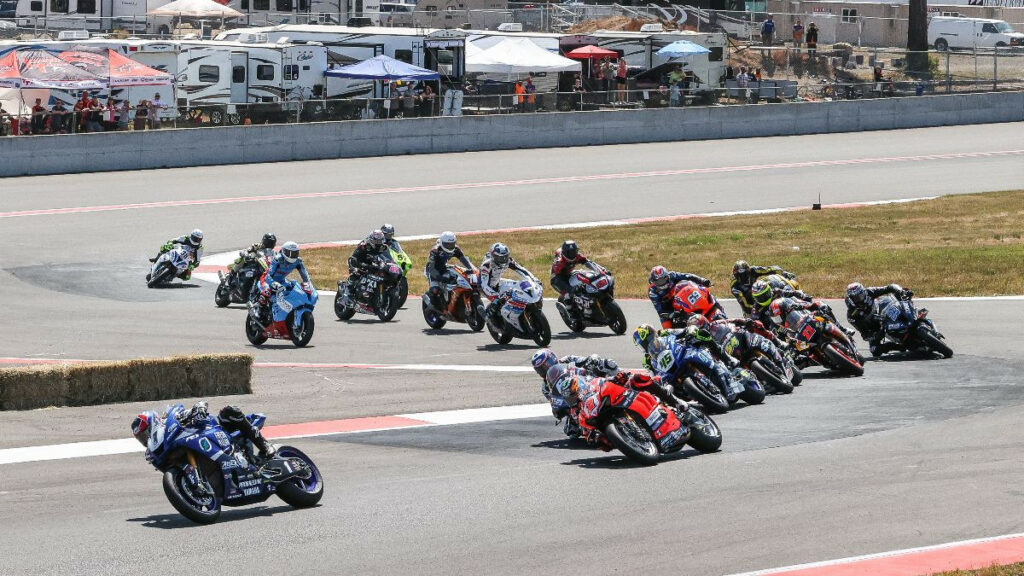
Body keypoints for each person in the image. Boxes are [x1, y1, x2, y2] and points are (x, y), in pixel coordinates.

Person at [131, 401, 275, 460]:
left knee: (228, 412)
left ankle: (264, 446)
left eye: (145, 434)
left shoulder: (171, 421)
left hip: (219, 432)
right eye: (141, 438)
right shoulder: (153, 453)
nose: (146, 439)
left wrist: (198, 409)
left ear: (154, 424)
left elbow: (199, 404)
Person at [845, 282, 912, 357]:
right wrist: (875, 335)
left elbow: (889, 287)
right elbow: (864, 334)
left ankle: (913, 315)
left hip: (884, 311)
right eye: (855, 298)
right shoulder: (852, 316)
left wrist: (900, 291)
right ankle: (899, 346)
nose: (859, 299)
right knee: (875, 350)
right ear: (850, 299)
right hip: (876, 329)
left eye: (860, 296)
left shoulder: (869, 292)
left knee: (901, 296)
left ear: (864, 292)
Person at [480, 242, 538, 327]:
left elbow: (521, 270)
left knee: (519, 286)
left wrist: (533, 279)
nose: (503, 260)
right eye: (500, 258)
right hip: (486, 287)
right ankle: (490, 317)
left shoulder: (508, 260)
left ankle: (520, 311)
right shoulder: (486, 265)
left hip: (498, 282)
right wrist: (495, 296)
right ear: (493, 257)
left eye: (505, 256)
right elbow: (484, 285)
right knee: (498, 302)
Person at [252, 241, 311, 317]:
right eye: (291, 253)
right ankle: (258, 309)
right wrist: (273, 283)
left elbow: (304, 274)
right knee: (267, 292)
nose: (293, 256)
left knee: (293, 290)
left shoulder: (298, 261)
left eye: (295, 253)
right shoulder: (278, 259)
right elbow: (268, 275)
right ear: (284, 252)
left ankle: (286, 311)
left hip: (281, 281)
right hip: (267, 279)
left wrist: (307, 283)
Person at [550, 240, 605, 317]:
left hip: (569, 274)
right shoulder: (559, 262)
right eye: (570, 253)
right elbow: (558, 275)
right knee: (569, 293)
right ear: (565, 253)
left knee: (585, 280)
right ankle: (570, 311)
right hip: (557, 278)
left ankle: (588, 302)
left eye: (574, 252)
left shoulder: (577, 256)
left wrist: (599, 270)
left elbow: (588, 262)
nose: (572, 254)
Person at [424, 231, 475, 311]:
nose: (450, 246)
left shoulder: (455, 249)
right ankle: (432, 305)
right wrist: (439, 277)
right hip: (432, 271)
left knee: (456, 281)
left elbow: (463, 259)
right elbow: (431, 267)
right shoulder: (435, 251)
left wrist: (471, 268)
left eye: (452, 244)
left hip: (444, 268)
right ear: (442, 243)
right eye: (448, 244)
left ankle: (453, 302)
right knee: (436, 290)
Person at [648, 265, 713, 329]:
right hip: (668, 308)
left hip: (683, 297)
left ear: (667, 277)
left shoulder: (672, 275)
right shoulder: (652, 292)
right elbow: (660, 309)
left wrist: (702, 280)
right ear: (653, 281)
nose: (662, 283)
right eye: (659, 282)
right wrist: (672, 313)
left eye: (663, 280)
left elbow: (687, 276)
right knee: (667, 330)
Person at [730, 260, 796, 315]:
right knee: (752, 323)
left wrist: (783, 272)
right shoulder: (735, 288)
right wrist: (757, 308)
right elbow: (745, 306)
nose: (742, 277)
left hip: (762, 295)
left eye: (744, 275)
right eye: (739, 275)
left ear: (748, 272)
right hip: (751, 306)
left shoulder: (753, 270)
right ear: (735, 275)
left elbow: (770, 269)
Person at [343, 229, 391, 302]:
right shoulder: (364, 246)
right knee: (356, 273)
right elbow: (354, 257)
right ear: (371, 240)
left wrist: (388, 264)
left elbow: (389, 258)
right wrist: (359, 265)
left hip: (374, 265)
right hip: (361, 263)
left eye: (380, 241)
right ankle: (347, 293)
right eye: (376, 241)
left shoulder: (384, 247)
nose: (378, 243)